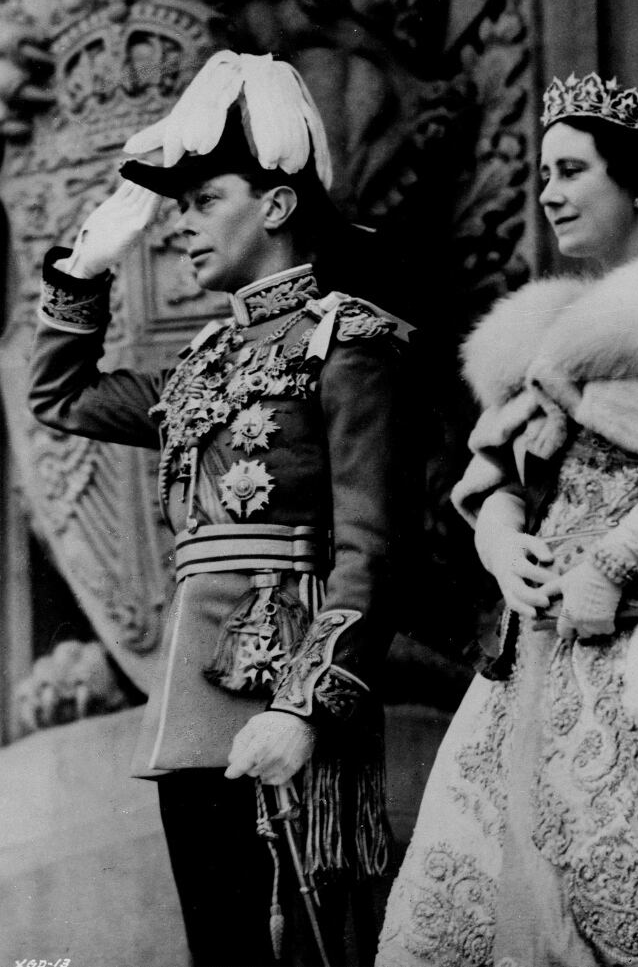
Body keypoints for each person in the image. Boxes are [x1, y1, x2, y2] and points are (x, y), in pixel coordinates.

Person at [375, 72, 638, 967]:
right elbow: (497, 476)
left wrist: (611, 562)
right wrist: (498, 538)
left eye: (570, 170)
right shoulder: (544, 328)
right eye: (542, 175)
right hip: (534, 644)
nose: (549, 193)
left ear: (633, 182)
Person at [28, 49, 418, 967]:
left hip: (286, 692)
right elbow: (62, 398)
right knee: (223, 950)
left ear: (277, 205)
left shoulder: (349, 343)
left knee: (307, 949)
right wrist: (83, 268)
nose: (184, 229)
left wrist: (304, 708)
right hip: (191, 700)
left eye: (205, 201)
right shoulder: (204, 361)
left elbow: (370, 549)